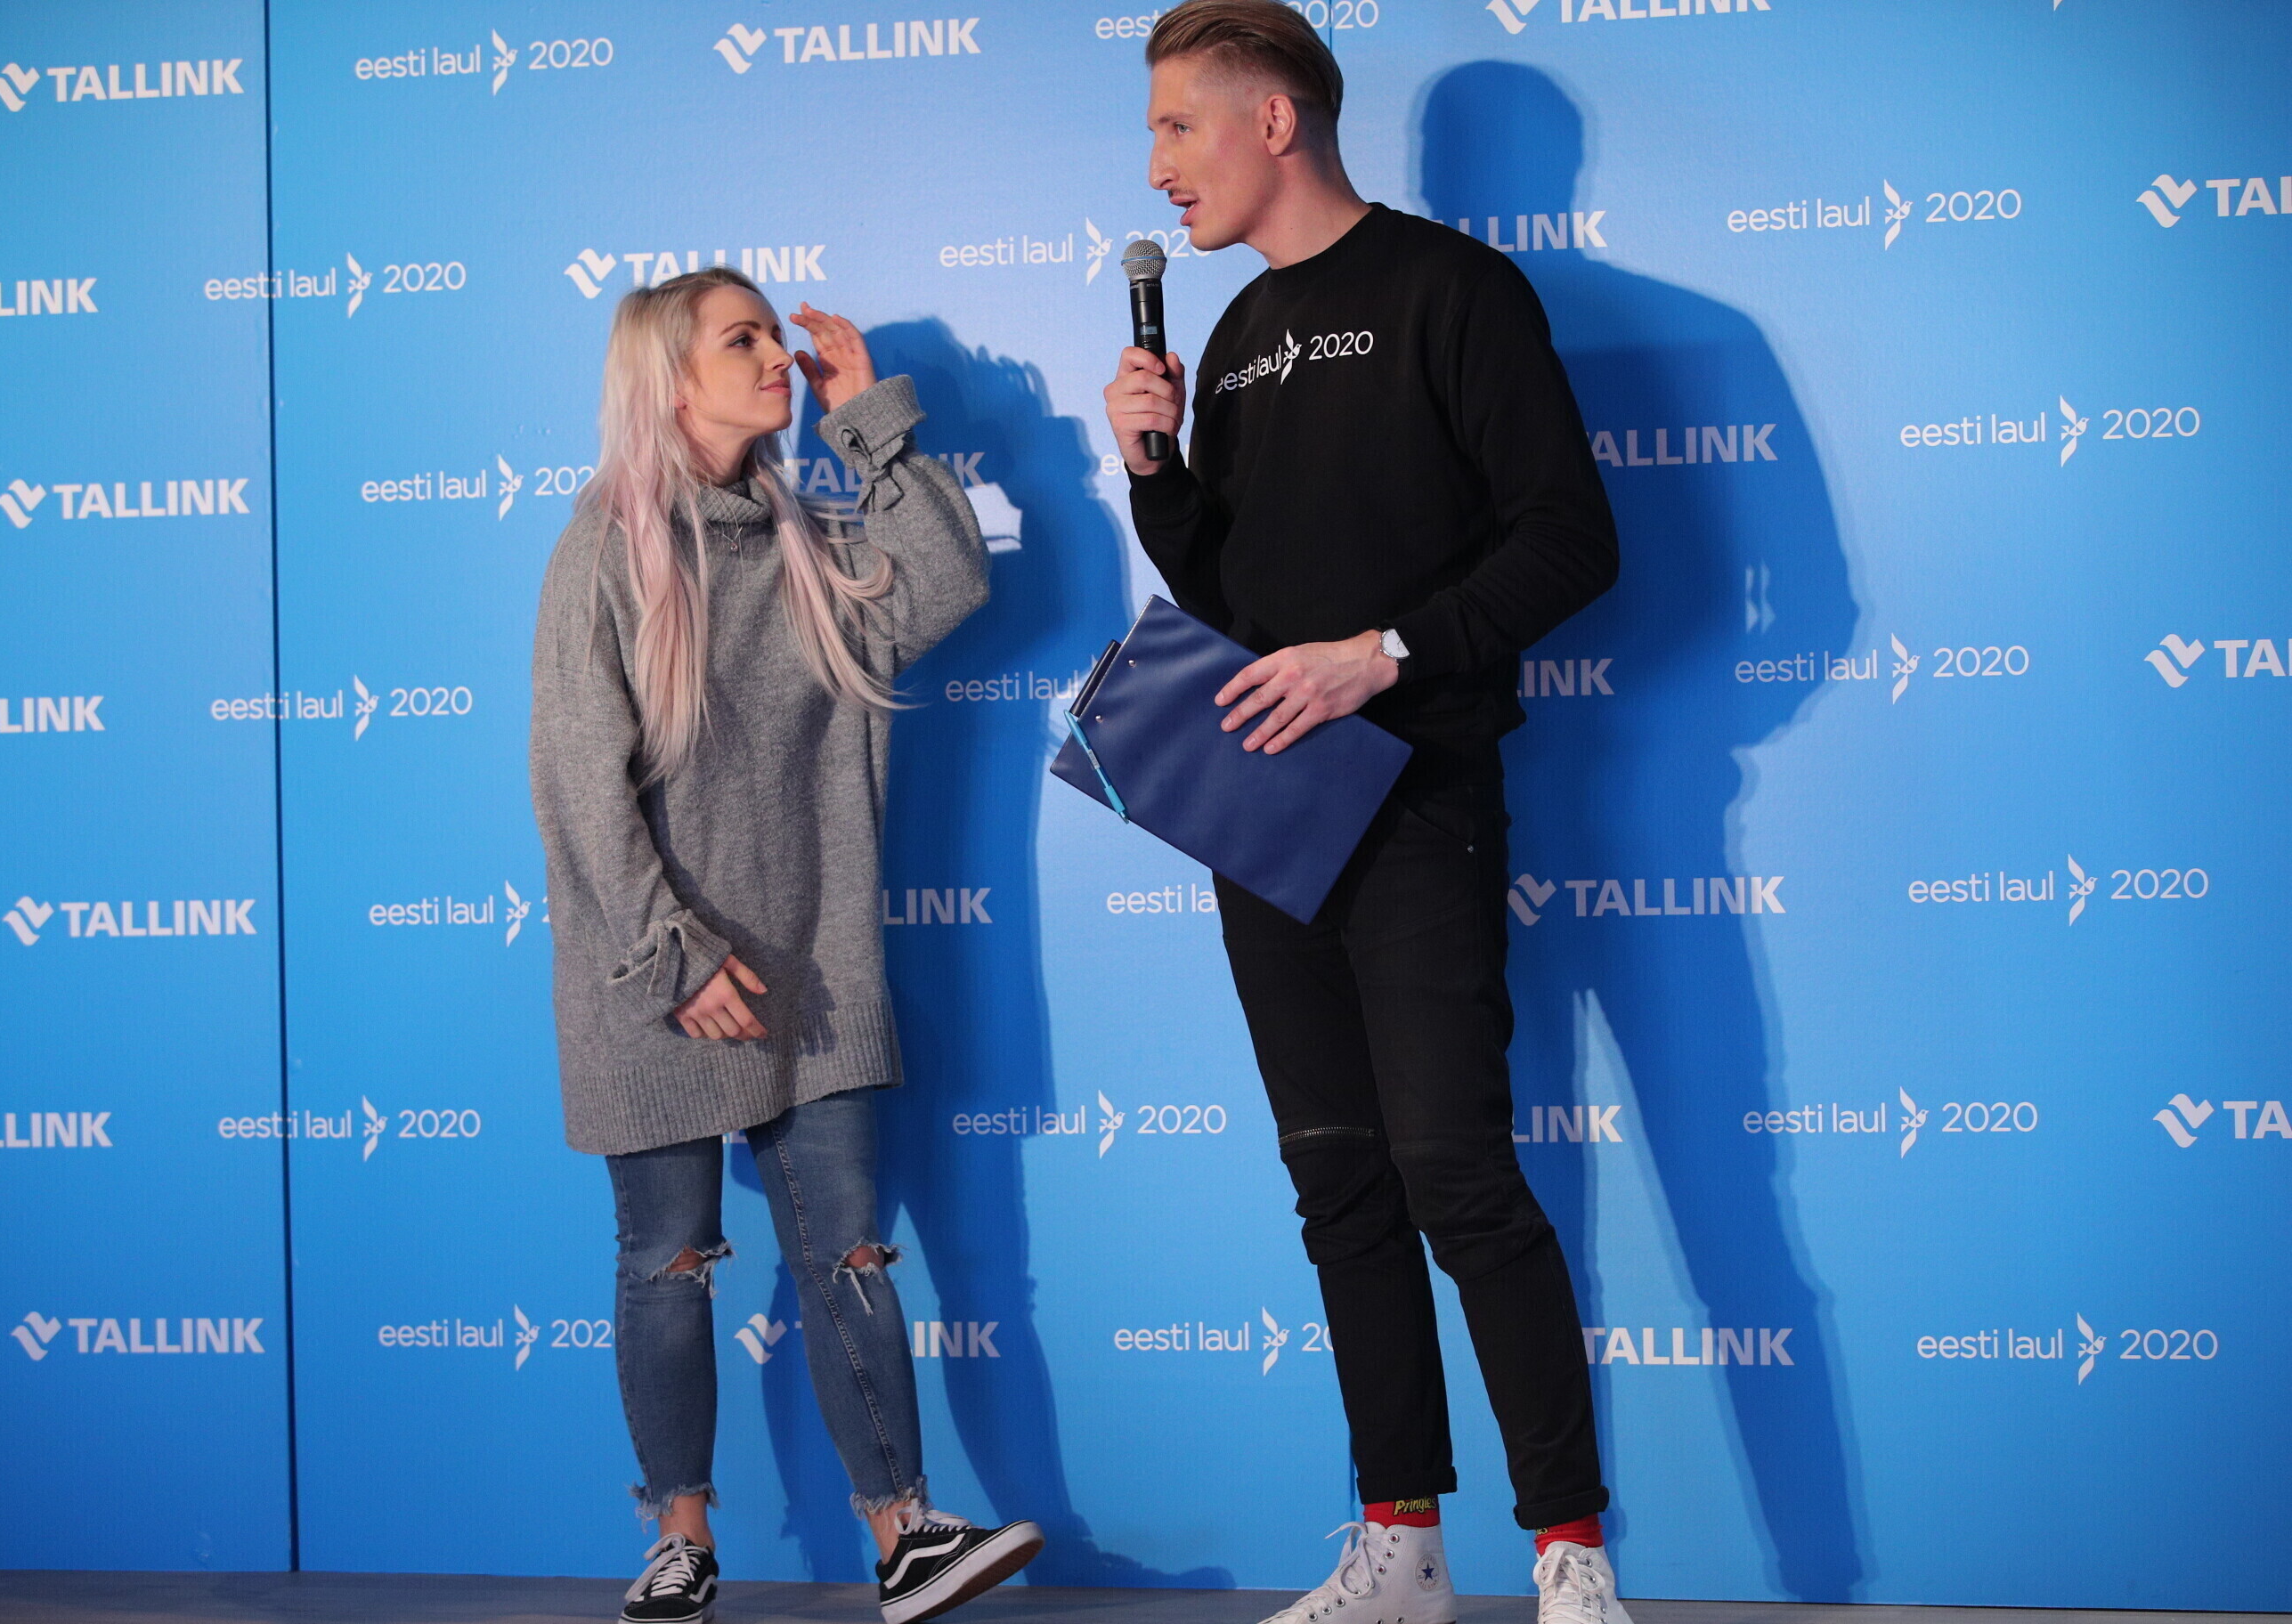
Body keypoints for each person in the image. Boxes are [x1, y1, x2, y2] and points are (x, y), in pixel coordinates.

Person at [1099, 6, 1628, 1624]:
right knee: (1338, 1183)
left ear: (1273, 121)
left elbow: (1571, 539)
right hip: (1267, 814)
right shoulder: (1235, 339)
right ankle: (1401, 1545)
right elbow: (1234, 599)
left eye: (1177, 126)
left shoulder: (1454, 289)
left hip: (1417, 798)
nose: (1156, 165)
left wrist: (1384, 655)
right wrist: (1157, 476)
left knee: (1456, 1172)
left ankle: (1571, 1559)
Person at [532, 266, 1043, 1624]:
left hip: (813, 960)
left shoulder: (808, 543)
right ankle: (681, 1543)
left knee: (848, 1252)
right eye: (741, 340)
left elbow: (949, 579)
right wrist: (675, 953)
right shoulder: (606, 548)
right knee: (666, 1259)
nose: (774, 358)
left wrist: (868, 421)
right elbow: (578, 777)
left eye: (773, 335)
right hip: (659, 975)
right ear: (670, 382)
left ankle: (906, 1535)